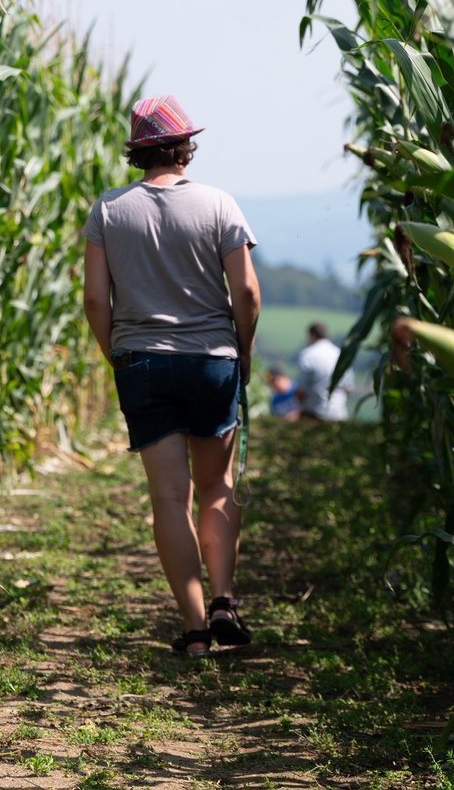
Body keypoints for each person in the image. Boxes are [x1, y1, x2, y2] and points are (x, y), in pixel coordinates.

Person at [80, 95, 260, 659]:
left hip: (142, 362)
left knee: (168, 498)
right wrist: (244, 351)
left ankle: (194, 630)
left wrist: (117, 354)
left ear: (138, 151)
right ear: (184, 146)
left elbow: (95, 299)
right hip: (212, 359)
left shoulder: (109, 211)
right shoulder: (219, 204)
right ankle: (223, 599)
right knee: (216, 487)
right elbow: (246, 292)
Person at [295, 322, 352, 421]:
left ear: (311, 335)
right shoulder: (340, 354)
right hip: (338, 413)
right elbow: (348, 388)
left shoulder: (307, 355)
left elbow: (302, 390)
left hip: (314, 412)